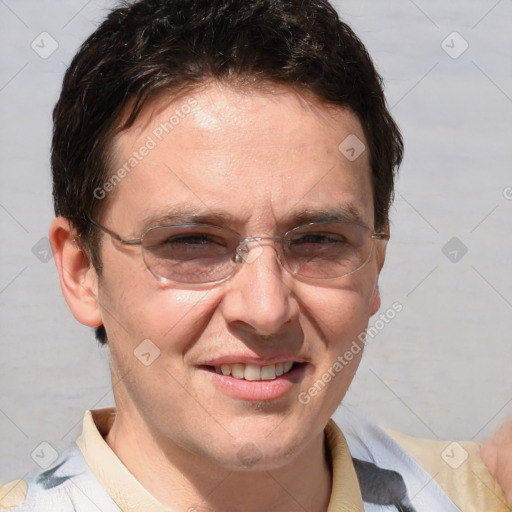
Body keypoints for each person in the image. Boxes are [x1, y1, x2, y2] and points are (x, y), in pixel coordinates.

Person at [0, 0, 510, 510]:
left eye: (319, 240)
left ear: (376, 264)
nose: (266, 310)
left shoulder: (473, 493)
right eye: (192, 242)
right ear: (82, 271)